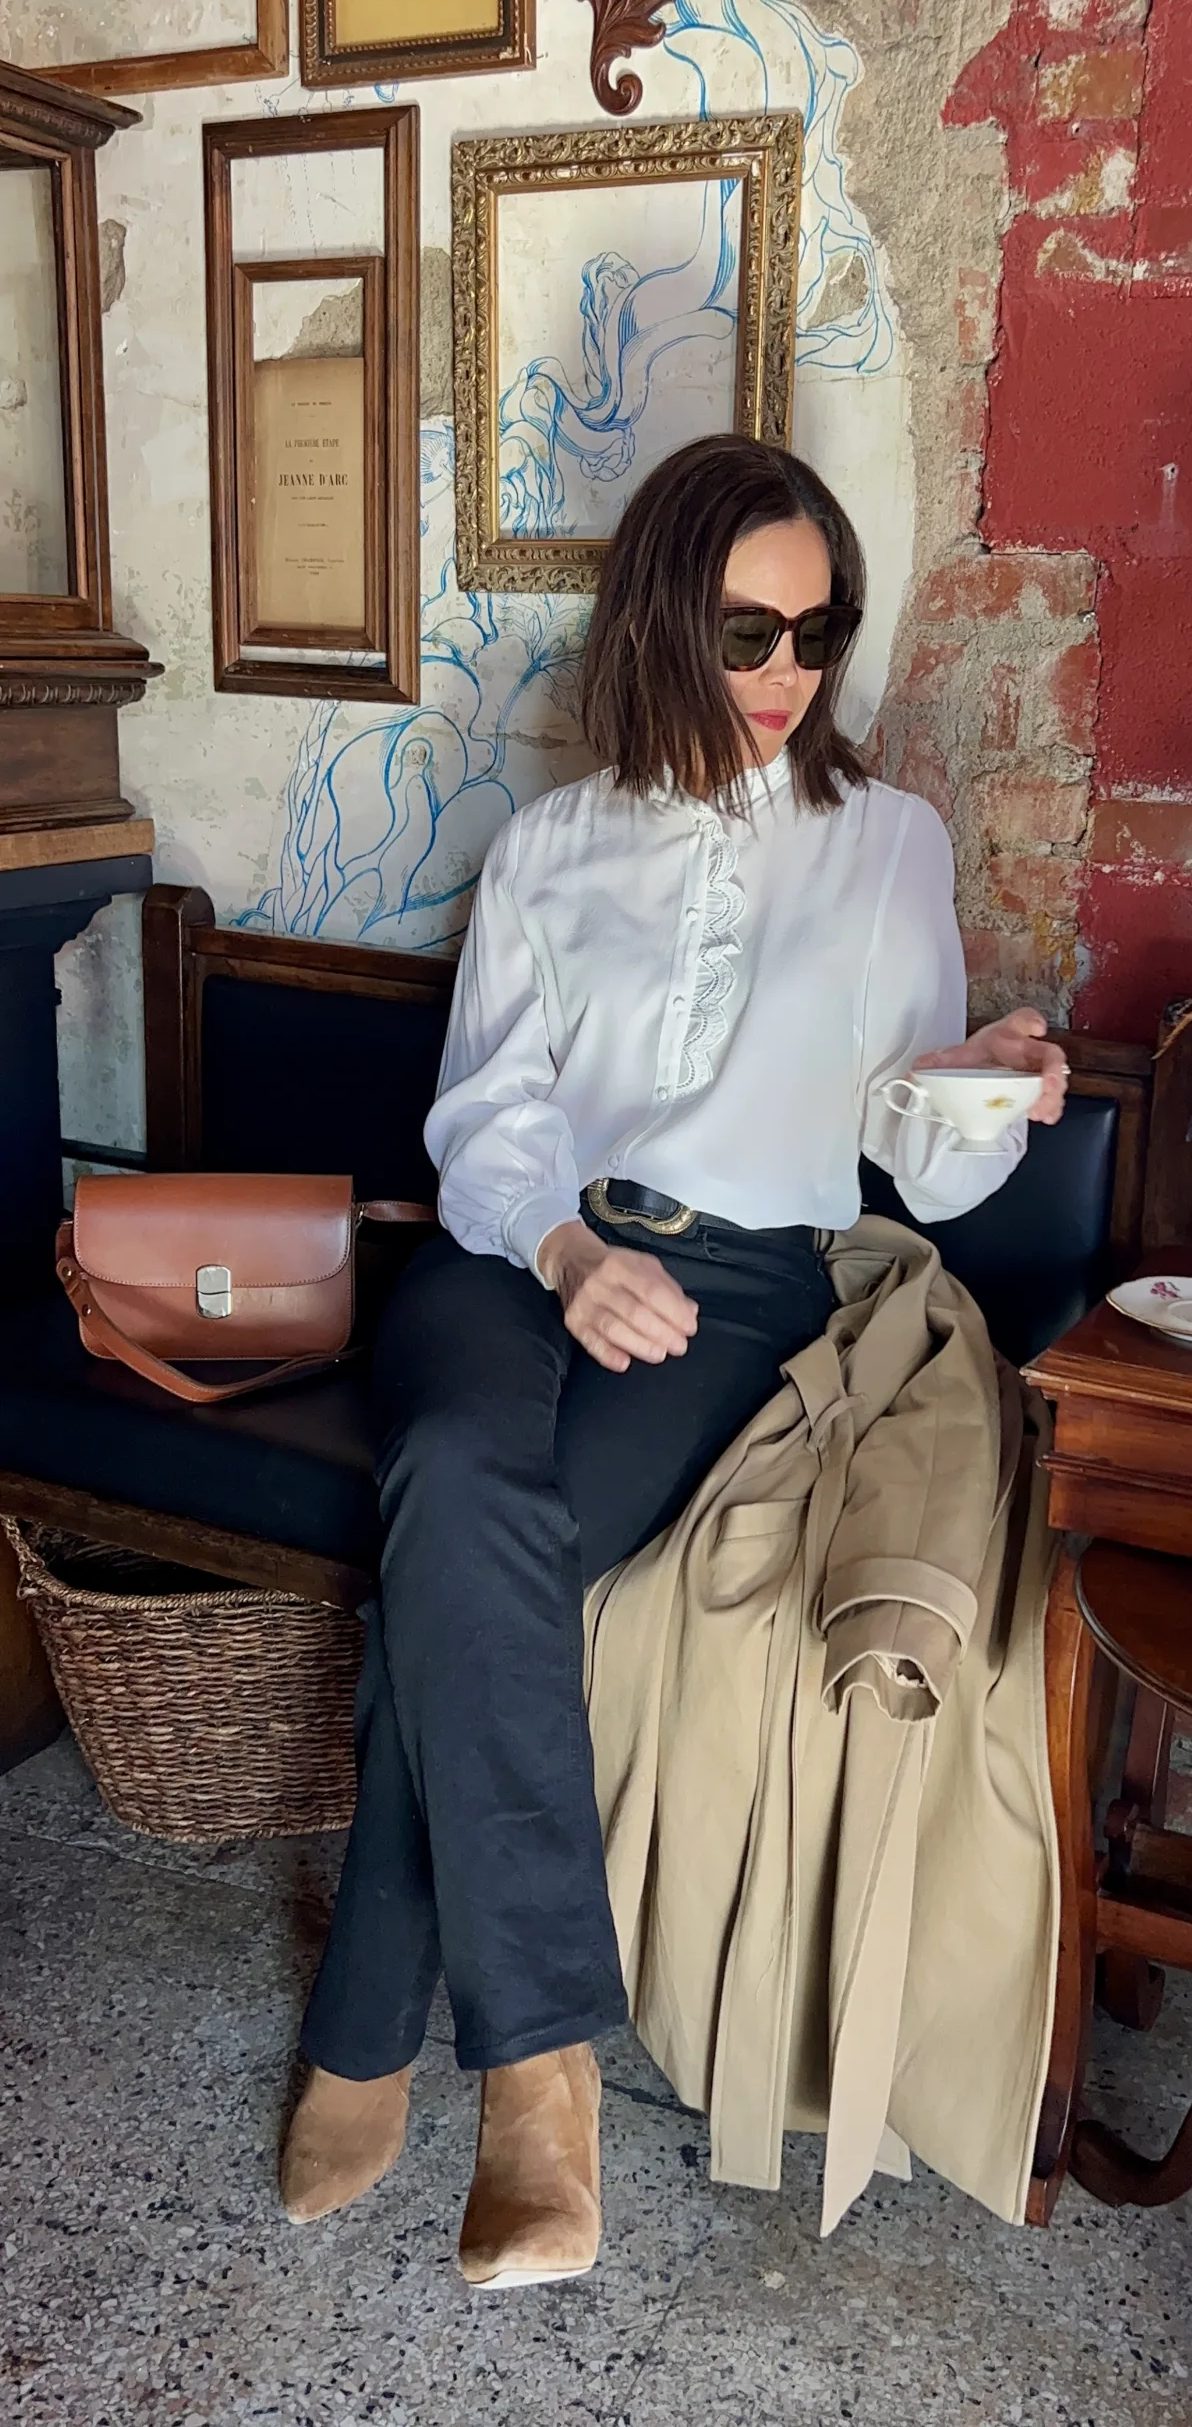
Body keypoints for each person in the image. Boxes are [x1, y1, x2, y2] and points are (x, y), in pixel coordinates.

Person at [279, 433, 1069, 2286]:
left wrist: (993, 1088)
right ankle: (542, 2065)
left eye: (821, 628)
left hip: (747, 1288)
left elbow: (907, 1139)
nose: (792, 669)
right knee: (461, 1475)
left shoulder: (889, 847)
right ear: (662, 619)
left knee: (489, 1557)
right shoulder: (552, 847)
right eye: (748, 629)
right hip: (516, 1257)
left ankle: (367, 2024)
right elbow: (488, 1116)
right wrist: (562, 1254)